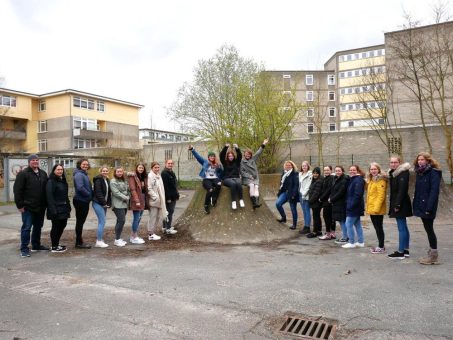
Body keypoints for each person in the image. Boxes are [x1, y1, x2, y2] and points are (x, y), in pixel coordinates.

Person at [13, 154, 49, 257]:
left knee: (38, 227)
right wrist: (20, 205)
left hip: (41, 206)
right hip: (28, 207)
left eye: (36, 160)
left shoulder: (43, 173)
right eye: (33, 160)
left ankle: (36, 245)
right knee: (27, 228)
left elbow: (46, 189)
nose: (35, 162)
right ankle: (24, 249)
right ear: (29, 162)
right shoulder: (23, 174)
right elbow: (17, 190)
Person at [412, 152, 442, 265]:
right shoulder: (420, 173)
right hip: (421, 205)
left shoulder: (433, 173)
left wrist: (429, 207)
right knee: (428, 228)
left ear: (428, 161)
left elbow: (434, 191)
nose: (420, 161)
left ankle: (434, 256)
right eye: (419, 160)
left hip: (428, 206)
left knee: (430, 229)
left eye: (422, 159)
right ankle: (432, 252)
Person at [387, 156, 412, 259]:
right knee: (404, 227)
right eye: (391, 162)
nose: (393, 164)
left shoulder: (402, 173)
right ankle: (405, 250)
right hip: (400, 203)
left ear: (399, 163)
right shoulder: (394, 174)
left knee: (401, 228)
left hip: (401, 204)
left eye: (395, 162)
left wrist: (397, 204)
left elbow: (402, 190)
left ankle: (401, 251)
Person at [189, 145, 223, 214]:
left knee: (219, 184)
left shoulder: (217, 164)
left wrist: (219, 168)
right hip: (207, 179)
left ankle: (214, 199)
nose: (212, 157)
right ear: (208, 157)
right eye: (211, 156)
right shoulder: (205, 162)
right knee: (210, 190)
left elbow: (221, 172)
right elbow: (198, 157)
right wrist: (192, 149)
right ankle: (206, 205)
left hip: (215, 178)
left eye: (213, 156)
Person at [46, 164, 71, 253]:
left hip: (64, 208)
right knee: (56, 227)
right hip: (56, 208)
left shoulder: (63, 180)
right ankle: (54, 246)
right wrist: (53, 209)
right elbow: (49, 196)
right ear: (54, 170)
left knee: (63, 225)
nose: (60, 171)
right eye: (58, 169)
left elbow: (65, 195)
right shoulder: (51, 181)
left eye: (61, 169)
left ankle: (57, 243)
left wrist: (68, 206)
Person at [366, 162, 388, 254]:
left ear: (378, 170)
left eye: (375, 169)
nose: (373, 171)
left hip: (377, 209)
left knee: (379, 228)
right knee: (376, 228)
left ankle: (381, 247)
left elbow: (381, 196)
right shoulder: (372, 180)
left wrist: (376, 209)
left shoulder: (380, 180)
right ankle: (380, 245)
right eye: (371, 169)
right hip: (372, 208)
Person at [240, 139, 268, 209]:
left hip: (255, 178)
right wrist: (249, 176)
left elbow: (259, 152)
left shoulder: (253, 159)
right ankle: (254, 203)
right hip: (247, 178)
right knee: (252, 185)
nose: (247, 155)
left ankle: (257, 202)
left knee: (256, 187)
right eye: (246, 154)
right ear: (244, 154)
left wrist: (264, 143)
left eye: (249, 154)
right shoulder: (242, 162)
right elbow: (242, 172)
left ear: (250, 155)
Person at [342, 165, 365, 249]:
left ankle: (351, 242)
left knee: (348, 224)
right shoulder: (353, 179)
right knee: (357, 224)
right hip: (355, 206)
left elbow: (357, 195)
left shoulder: (358, 180)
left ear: (357, 171)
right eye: (350, 170)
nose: (352, 171)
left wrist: (351, 205)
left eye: (354, 170)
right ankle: (361, 241)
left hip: (354, 206)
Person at [72, 158, 93, 249]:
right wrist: (89, 195)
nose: (85, 165)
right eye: (83, 164)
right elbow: (80, 188)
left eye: (87, 164)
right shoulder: (79, 174)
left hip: (83, 200)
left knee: (80, 221)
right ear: (79, 165)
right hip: (81, 201)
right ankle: (79, 243)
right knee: (80, 222)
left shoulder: (84, 174)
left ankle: (79, 240)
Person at [275, 161, 300, 230]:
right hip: (284, 192)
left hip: (292, 193)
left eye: (289, 165)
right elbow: (282, 183)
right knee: (278, 204)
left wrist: (294, 194)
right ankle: (284, 217)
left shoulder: (295, 173)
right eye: (287, 165)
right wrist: (279, 192)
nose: (288, 166)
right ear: (285, 166)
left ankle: (294, 224)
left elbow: (296, 185)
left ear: (292, 166)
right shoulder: (284, 173)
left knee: (293, 209)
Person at [128, 163, 148, 244]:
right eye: (139, 167)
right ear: (136, 168)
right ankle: (134, 237)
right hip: (137, 199)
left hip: (142, 199)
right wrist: (137, 201)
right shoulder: (132, 176)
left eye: (142, 168)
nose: (141, 169)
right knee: (136, 218)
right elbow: (133, 189)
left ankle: (134, 235)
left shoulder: (143, 177)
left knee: (139, 218)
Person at [220, 143, 244, 210]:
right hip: (227, 179)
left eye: (232, 156)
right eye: (229, 156)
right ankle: (234, 201)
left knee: (239, 183)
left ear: (233, 156)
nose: (231, 157)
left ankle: (241, 199)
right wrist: (225, 147)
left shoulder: (236, 162)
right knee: (233, 184)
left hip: (236, 177)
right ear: (227, 157)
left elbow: (240, 156)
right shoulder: (225, 162)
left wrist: (237, 148)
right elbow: (221, 155)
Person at [92, 166, 112, 248]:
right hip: (98, 203)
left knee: (102, 222)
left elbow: (108, 193)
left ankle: (100, 239)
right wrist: (104, 203)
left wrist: (108, 203)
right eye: (103, 171)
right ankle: (99, 241)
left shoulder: (107, 179)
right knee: (102, 221)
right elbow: (98, 193)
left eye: (106, 171)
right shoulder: (98, 180)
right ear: (100, 171)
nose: (105, 172)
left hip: (104, 204)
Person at [110, 167, 130, 247]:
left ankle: (118, 238)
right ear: (115, 172)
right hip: (117, 204)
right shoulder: (113, 181)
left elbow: (128, 190)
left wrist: (127, 195)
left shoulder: (124, 180)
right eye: (118, 172)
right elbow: (116, 193)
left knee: (120, 221)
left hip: (124, 204)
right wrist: (126, 197)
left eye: (121, 171)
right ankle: (117, 240)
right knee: (122, 220)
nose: (120, 173)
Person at [148, 161, 168, 237]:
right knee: (153, 217)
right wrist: (155, 197)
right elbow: (149, 188)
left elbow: (161, 188)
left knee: (157, 217)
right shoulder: (150, 176)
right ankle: (150, 234)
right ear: (152, 168)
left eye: (158, 167)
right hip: (154, 201)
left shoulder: (159, 176)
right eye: (155, 167)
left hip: (160, 200)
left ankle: (153, 232)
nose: (157, 169)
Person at [331, 166, 349, 244]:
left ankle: (345, 237)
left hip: (341, 203)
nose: (337, 172)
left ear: (342, 171)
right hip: (337, 202)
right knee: (341, 220)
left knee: (342, 220)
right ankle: (345, 236)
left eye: (339, 171)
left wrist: (332, 199)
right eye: (336, 171)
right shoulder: (336, 179)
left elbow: (341, 192)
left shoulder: (344, 180)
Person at [318, 166, 336, 240]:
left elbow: (328, 190)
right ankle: (332, 233)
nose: (326, 171)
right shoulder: (325, 178)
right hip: (327, 200)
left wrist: (321, 198)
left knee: (327, 217)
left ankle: (328, 234)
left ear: (331, 170)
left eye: (328, 170)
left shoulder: (331, 178)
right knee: (331, 217)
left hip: (328, 201)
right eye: (325, 170)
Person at [161, 159, 178, 234]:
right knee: (169, 212)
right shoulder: (164, 173)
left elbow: (174, 185)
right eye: (169, 163)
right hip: (169, 197)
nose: (170, 164)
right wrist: (168, 198)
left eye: (171, 163)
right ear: (165, 164)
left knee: (167, 212)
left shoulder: (171, 172)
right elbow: (165, 187)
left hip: (173, 196)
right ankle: (168, 229)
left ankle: (165, 227)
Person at [306, 167, 323, 238]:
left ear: (319, 174)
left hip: (316, 202)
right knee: (317, 216)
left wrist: (310, 201)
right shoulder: (314, 180)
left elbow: (316, 193)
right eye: (314, 173)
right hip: (315, 202)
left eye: (317, 173)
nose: (315, 174)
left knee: (316, 217)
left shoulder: (319, 181)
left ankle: (315, 232)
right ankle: (319, 231)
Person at [298, 161, 312, 234]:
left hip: (306, 196)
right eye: (303, 166)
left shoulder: (310, 174)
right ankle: (305, 226)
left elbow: (308, 186)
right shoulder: (300, 174)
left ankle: (307, 227)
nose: (304, 167)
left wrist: (304, 194)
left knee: (307, 211)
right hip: (300, 195)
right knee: (304, 211)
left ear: (308, 166)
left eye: (305, 166)